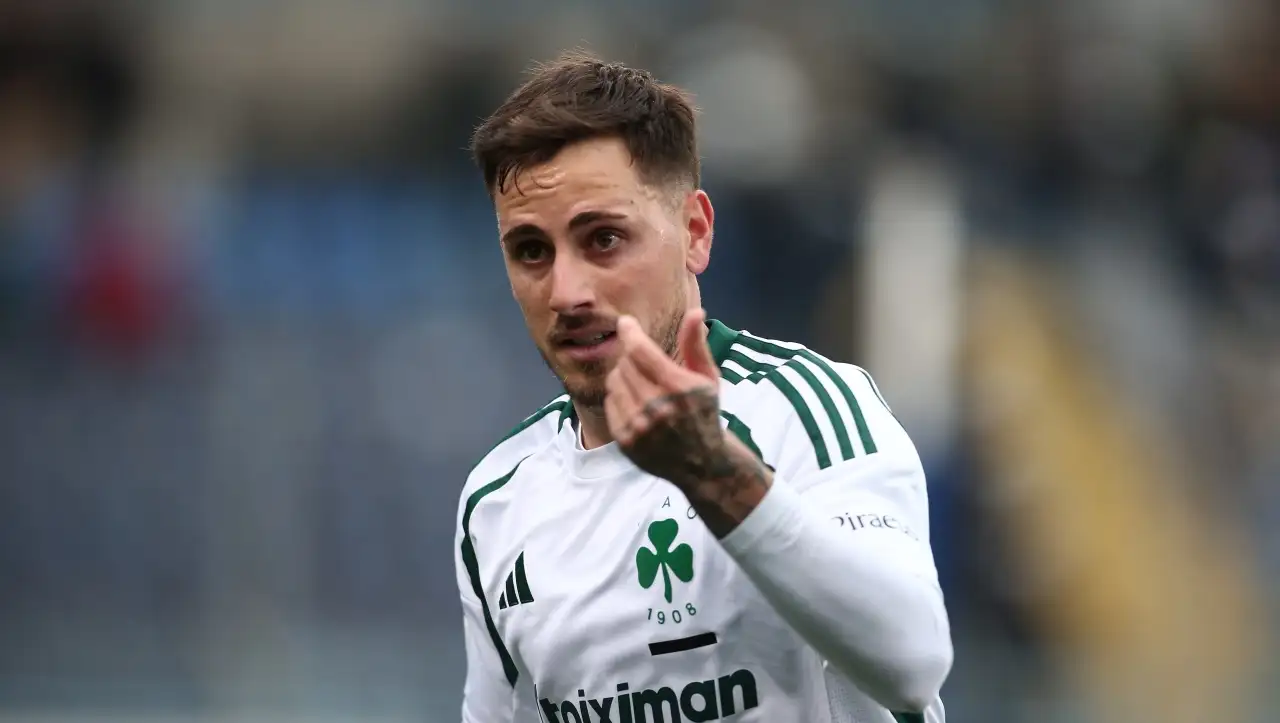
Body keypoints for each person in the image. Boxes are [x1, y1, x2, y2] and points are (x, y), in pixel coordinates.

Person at [454, 51, 953, 723]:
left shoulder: (806, 411)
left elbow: (914, 662)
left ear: (694, 232)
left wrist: (717, 475)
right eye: (531, 251)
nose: (566, 293)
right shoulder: (497, 499)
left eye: (603, 239)